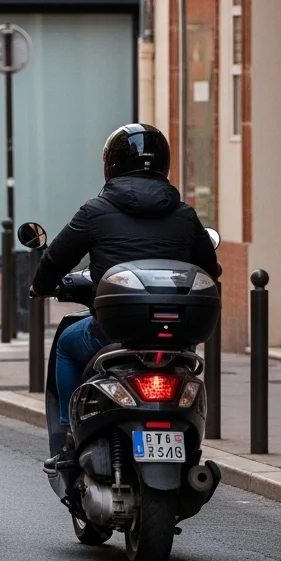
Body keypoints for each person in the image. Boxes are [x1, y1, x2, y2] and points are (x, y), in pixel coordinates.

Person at [30, 123, 220, 467]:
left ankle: (69, 436)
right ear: (165, 164)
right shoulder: (185, 215)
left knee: (66, 346)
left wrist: (40, 288)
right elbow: (211, 270)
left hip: (112, 335)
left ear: (110, 166)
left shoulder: (94, 211)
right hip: (177, 340)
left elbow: (56, 258)